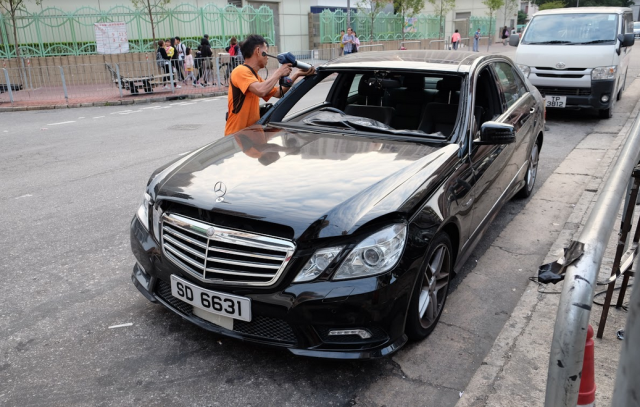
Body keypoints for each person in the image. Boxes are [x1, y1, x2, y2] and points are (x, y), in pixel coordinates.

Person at [224, 34, 316, 136]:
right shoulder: (240, 71)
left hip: (251, 137)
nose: (267, 57)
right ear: (258, 51)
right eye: (266, 52)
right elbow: (261, 90)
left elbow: (277, 93)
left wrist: (297, 74)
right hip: (236, 137)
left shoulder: (254, 76)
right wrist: (279, 72)